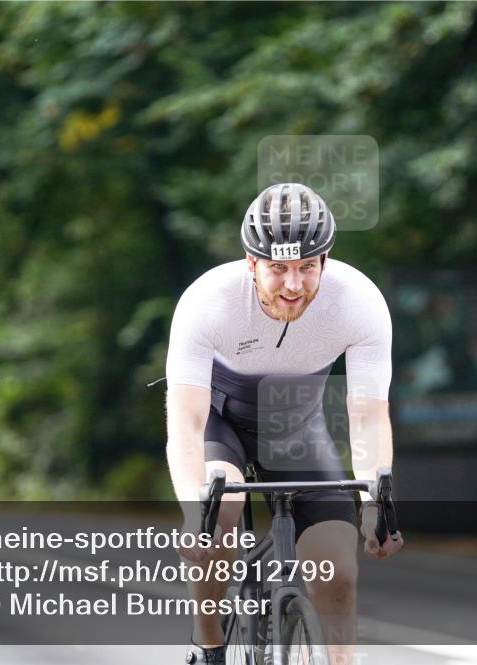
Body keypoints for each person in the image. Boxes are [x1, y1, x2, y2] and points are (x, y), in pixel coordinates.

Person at [165, 183, 404, 665]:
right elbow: (186, 425)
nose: (293, 285)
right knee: (221, 510)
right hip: (220, 421)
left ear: (326, 259)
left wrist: (376, 506)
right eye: (278, 268)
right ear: (251, 262)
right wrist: (196, 513)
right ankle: (207, 642)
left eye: (306, 267)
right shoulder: (207, 301)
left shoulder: (358, 301)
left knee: (338, 573)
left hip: (296, 427)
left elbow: (368, 415)